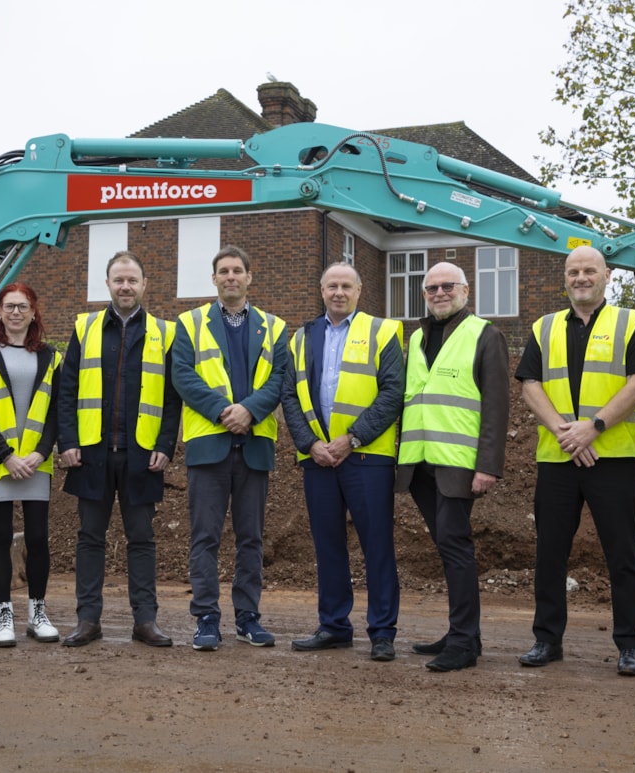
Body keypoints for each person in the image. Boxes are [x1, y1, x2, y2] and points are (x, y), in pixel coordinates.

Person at [514, 246, 635, 675]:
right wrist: (565, 432)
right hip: (557, 457)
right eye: (573, 271)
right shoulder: (544, 326)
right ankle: (547, 640)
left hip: (612, 457)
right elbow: (529, 384)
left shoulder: (633, 322)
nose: (581, 278)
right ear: (566, 278)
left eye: (589, 270)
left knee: (622, 555)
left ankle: (630, 645)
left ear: (607, 276)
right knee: (550, 554)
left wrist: (592, 427)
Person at [57, 251, 182, 648]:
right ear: (107, 284)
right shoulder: (85, 328)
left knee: (142, 539)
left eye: (132, 280)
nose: (125, 286)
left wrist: (165, 445)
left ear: (145, 285)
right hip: (91, 453)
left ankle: (145, 621)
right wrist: (69, 442)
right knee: (89, 538)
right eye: (118, 280)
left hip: (142, 454)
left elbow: (171, 396)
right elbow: (67, 389)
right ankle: (87, 620)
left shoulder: (165, 332)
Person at [282, 263, 405, 662]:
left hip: (367, 457)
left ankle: (382, 632)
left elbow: (393, 391)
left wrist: (352, 439)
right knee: (328, 545)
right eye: (332, 285)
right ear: (321, 290)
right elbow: (289, 396)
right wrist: (310, 443)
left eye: (346, 286)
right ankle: (334, 626)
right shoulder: (301, 338)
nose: (339, 292)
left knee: (377, 547)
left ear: (359, 289)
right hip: (318, 459)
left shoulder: (382, 331)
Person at [171, 245, 288, 651]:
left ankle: (248, 618)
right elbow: (182, 375)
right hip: (209, 446)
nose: (231, 276)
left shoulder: (274, 327)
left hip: (254, 444)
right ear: (214, 278)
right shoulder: (188, 323)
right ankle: (206, 618)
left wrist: (250, 411)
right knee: (204, 538)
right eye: (224, 271)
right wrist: (225, 411)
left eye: (238, 270)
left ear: (250, 276)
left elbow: (279, 379)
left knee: (250, 538)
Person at [395, 261, 510, 672]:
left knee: (456, 546)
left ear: (466, 291)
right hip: (421, 461)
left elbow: (497, 405)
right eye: (431, 288)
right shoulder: (418, 335)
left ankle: (463, 642)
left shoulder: (485, 334)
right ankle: (463, 632)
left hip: (459, 464)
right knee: (447, 547)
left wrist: (488, 466)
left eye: (448, 286)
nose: (439, 293)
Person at [0, 283, 62, 648]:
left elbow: (56, 410)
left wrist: (41, 451)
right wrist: (6, 455)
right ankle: (3, 614)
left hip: (37, 462)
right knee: (1, 538)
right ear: (0, 313)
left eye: (23, 306)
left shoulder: (51, 357)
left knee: (38, 538)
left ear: (34, 312)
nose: (16, 312)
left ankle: (38, 613)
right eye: (10, 307)